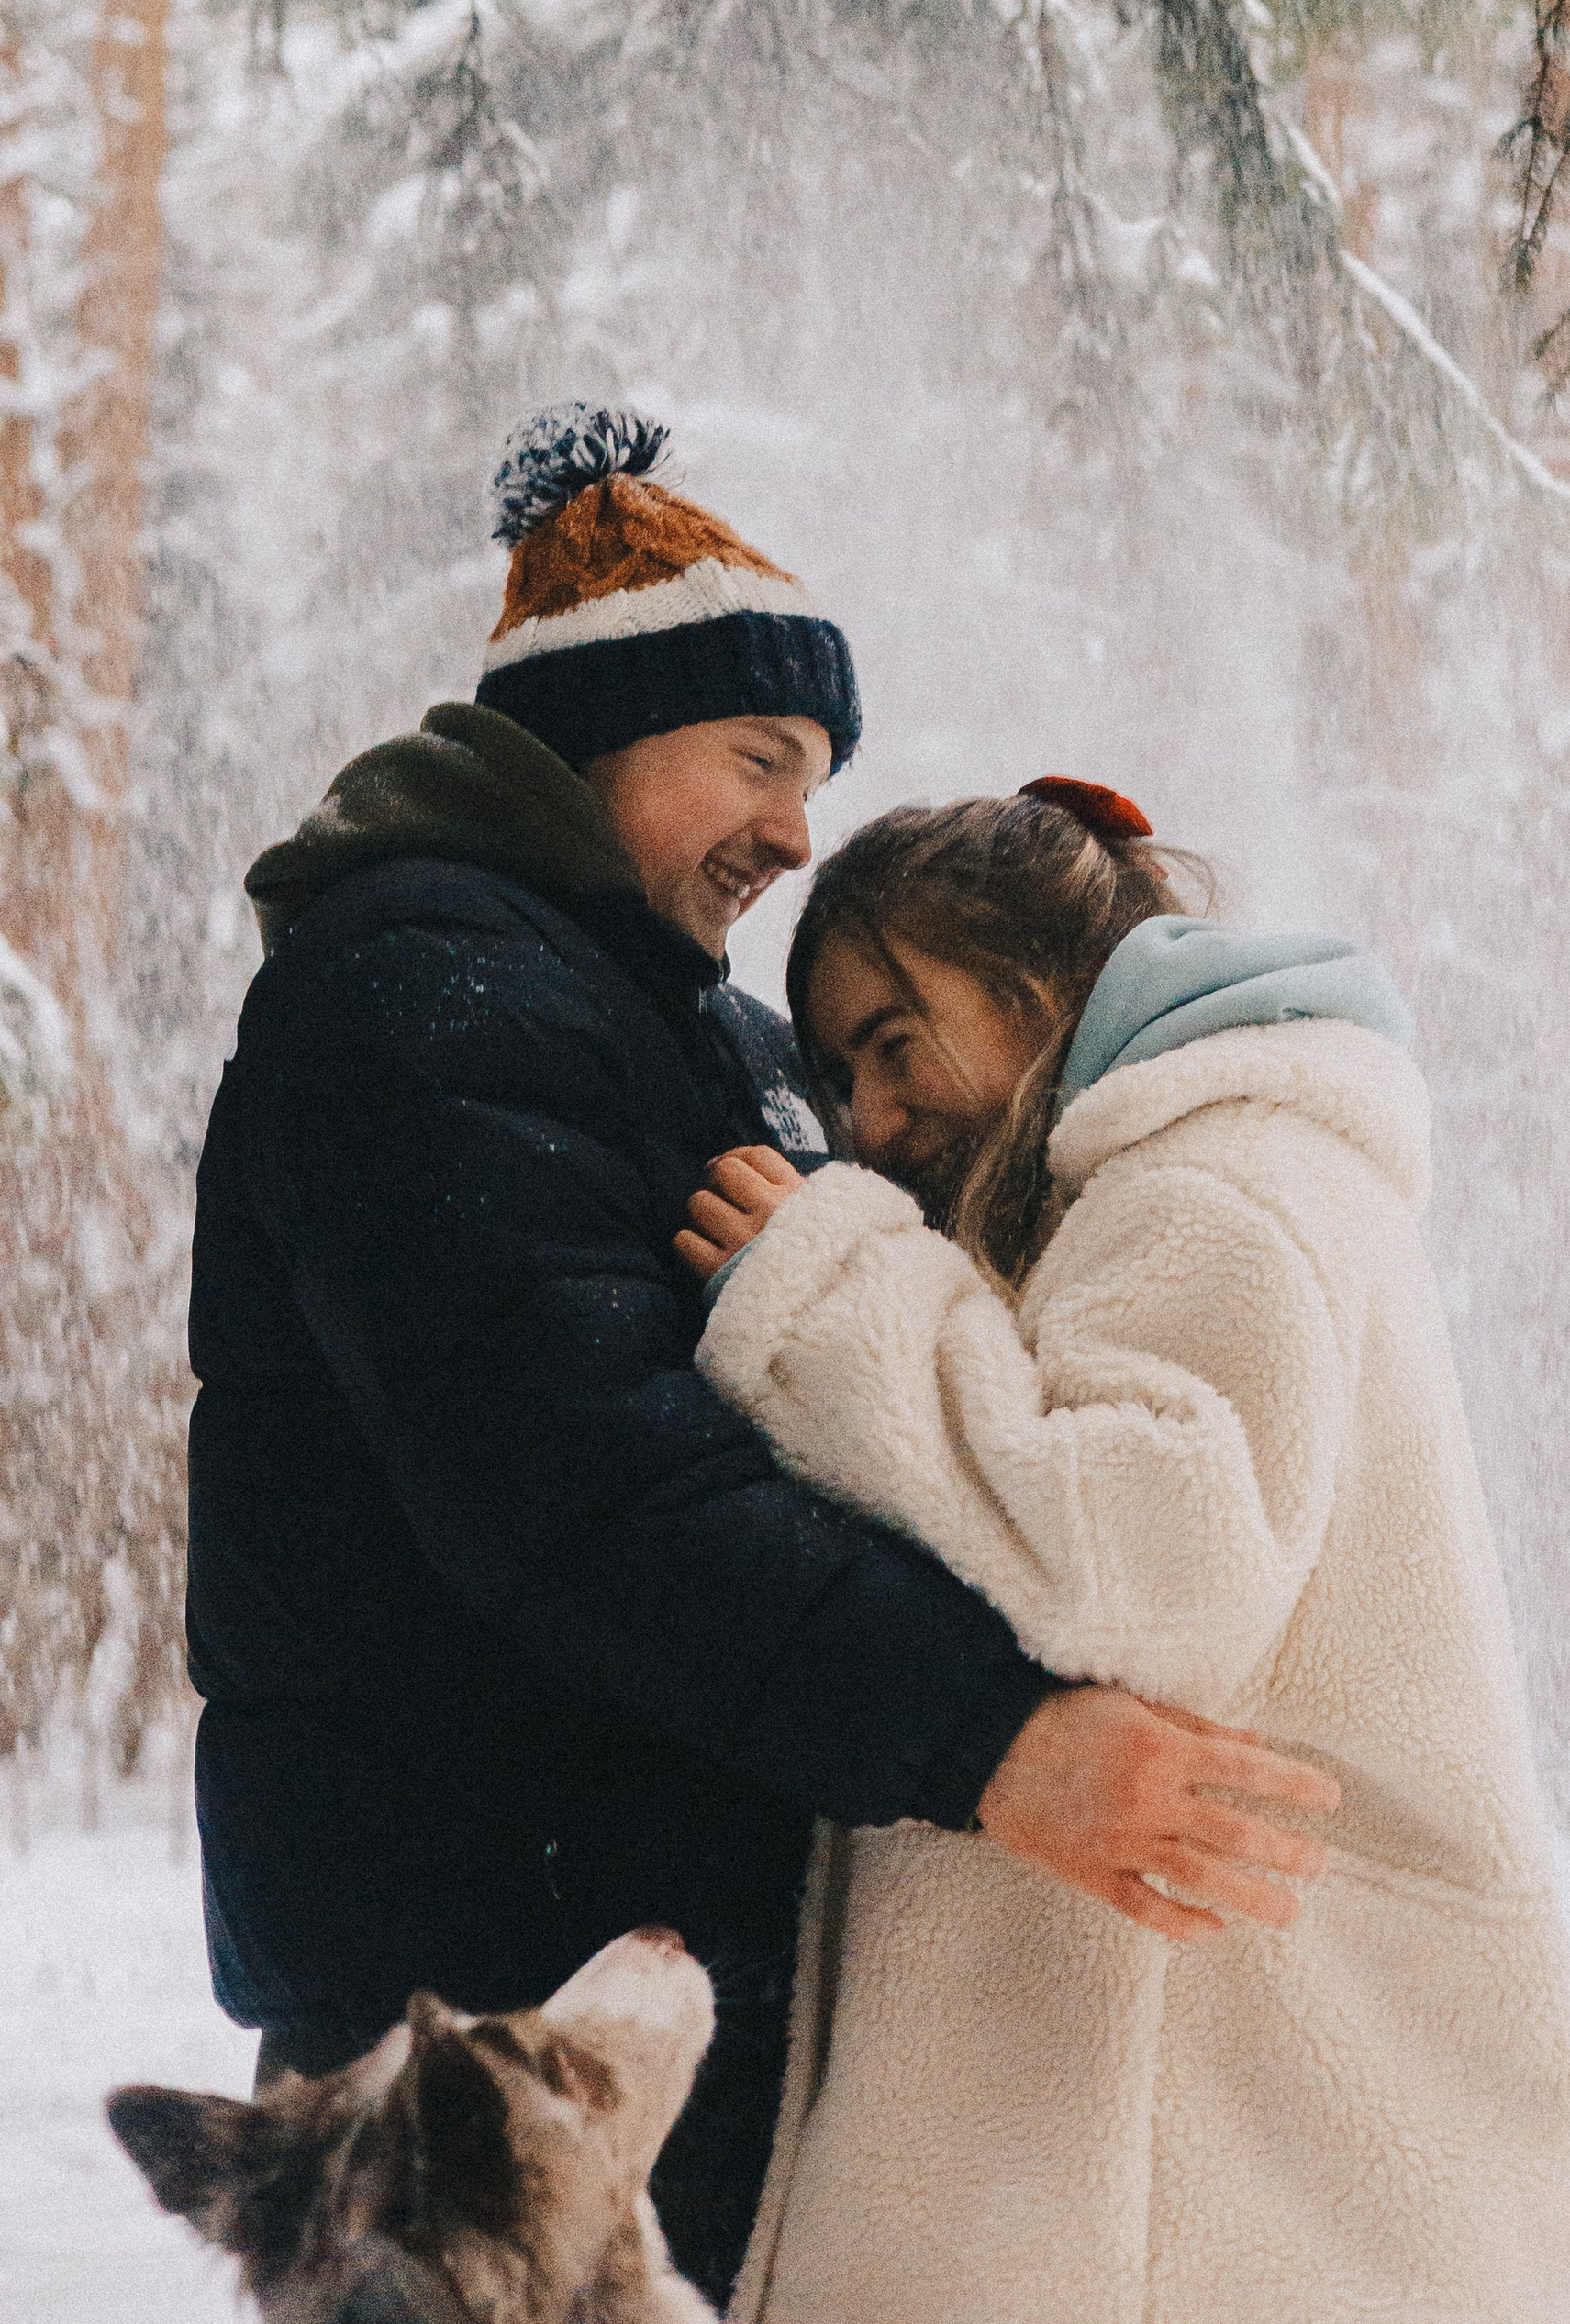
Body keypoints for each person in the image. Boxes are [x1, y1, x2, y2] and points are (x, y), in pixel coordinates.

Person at [186, 409, 1336, 2307]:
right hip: (461, 2006)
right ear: (600, 730)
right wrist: (990, 1743)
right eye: (761, 760)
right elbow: (588, 1484)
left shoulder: (675, 1031)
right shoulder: (416, 991)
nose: (795, 833)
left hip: (620, 1953)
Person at [680, 783, 1570, 2324]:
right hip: (1224, 2152)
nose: (872, 1122)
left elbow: (1151, 1569)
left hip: (1191, 2181)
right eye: (842, 1078)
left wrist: (836, 1289)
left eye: (896, 1044)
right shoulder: (1192, 1174)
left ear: (1035, 987)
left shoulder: (1212, 1183)